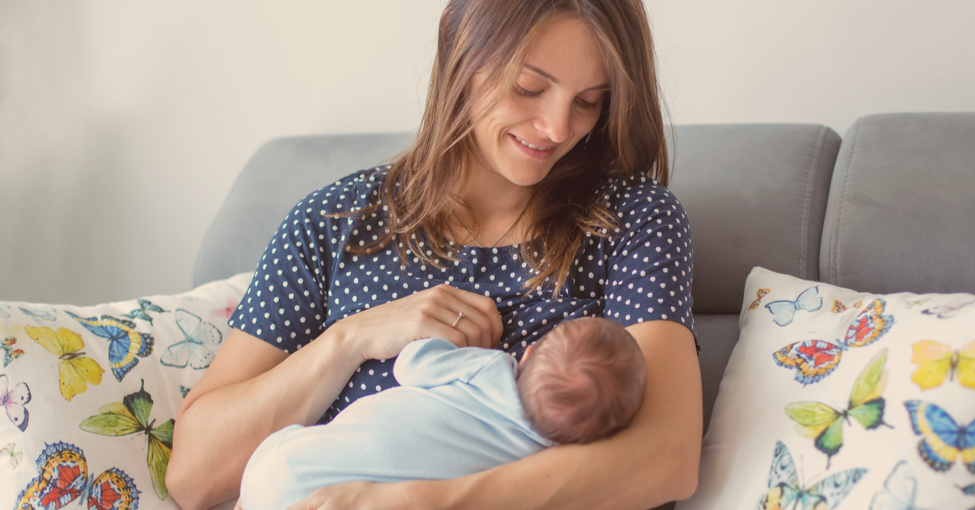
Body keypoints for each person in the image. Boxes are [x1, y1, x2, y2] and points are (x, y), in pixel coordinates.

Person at [167, 0, 703, 508]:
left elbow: (665, 458)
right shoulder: (333, 224)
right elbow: (193, 475)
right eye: (528, 87)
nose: (558, 128)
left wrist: (417, 502)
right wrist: (351, 340)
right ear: (457, 41)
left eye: (588, 101)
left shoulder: (631, 220)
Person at [240, 317, 647, 510]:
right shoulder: (537, 462)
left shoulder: (489, 369)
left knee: (281, 458)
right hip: (328, 498)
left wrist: (453, 347)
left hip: (287, 466)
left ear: (531, 353)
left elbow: (411, 365)